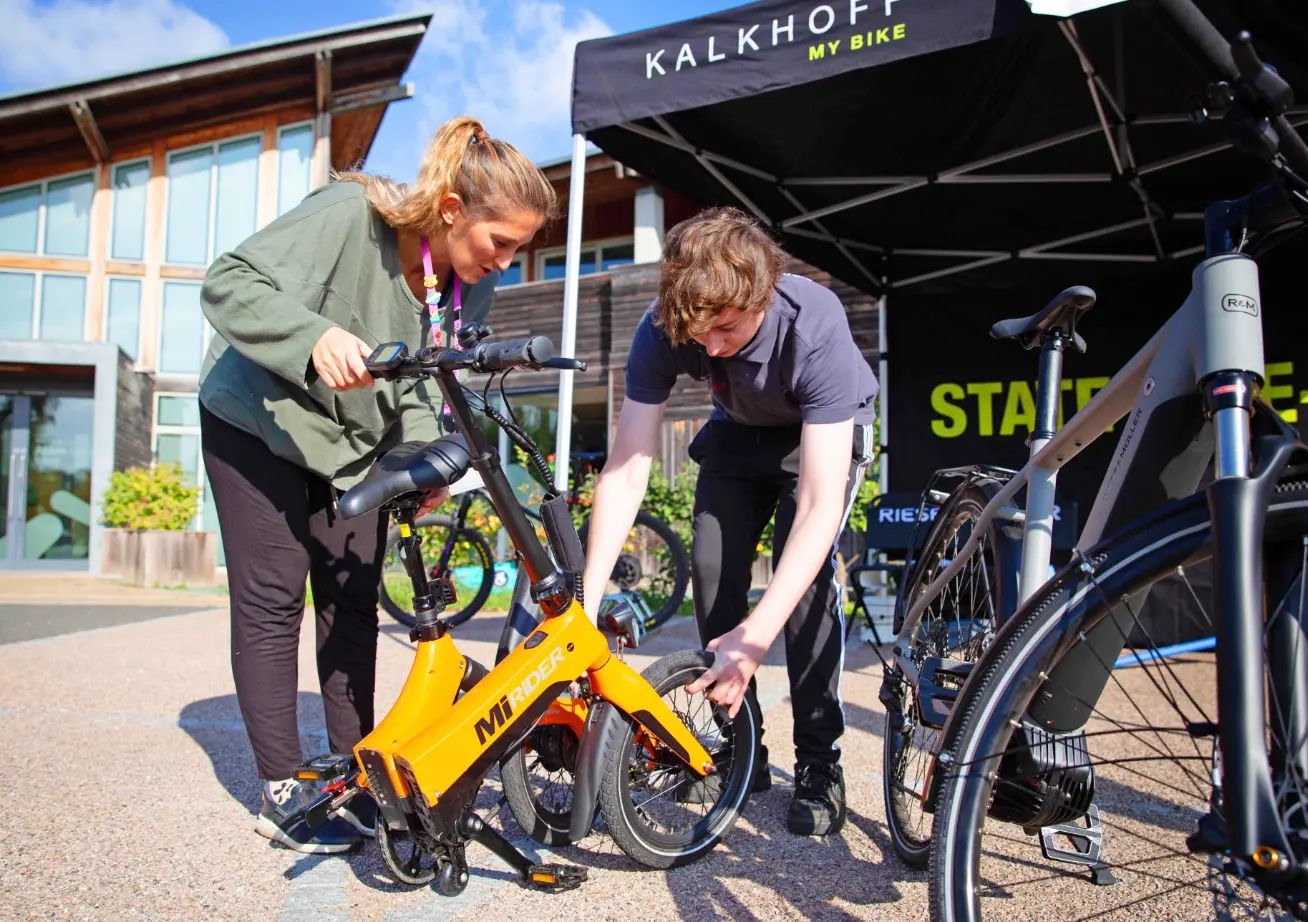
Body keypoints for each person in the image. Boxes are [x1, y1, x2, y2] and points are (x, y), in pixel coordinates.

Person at [197, 115, 556, 854]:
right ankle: (287, 788)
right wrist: (313, 337)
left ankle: (355, 776)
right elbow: (228, 283)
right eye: (502, 243)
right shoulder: (347, 216)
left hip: (350, 442)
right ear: (453, 212)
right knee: (274, 593)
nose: (508, 262)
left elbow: (430, 385)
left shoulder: (467, 288)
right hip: (256, 418)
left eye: (521, 249)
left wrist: (425, 458)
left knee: (353, 599)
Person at [581, 206, 878, 837]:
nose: (710, 348)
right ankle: (744, 749)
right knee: (713, 575)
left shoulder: (814, 322)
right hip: (738, 435)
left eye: (726, 329)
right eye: (698, 334)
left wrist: (756, 637)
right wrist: (582, 605)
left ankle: (822, 764)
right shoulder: (665, 327)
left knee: (803, 593)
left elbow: (823, 501)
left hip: (818, 436)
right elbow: (627, 467)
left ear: (762, 295)